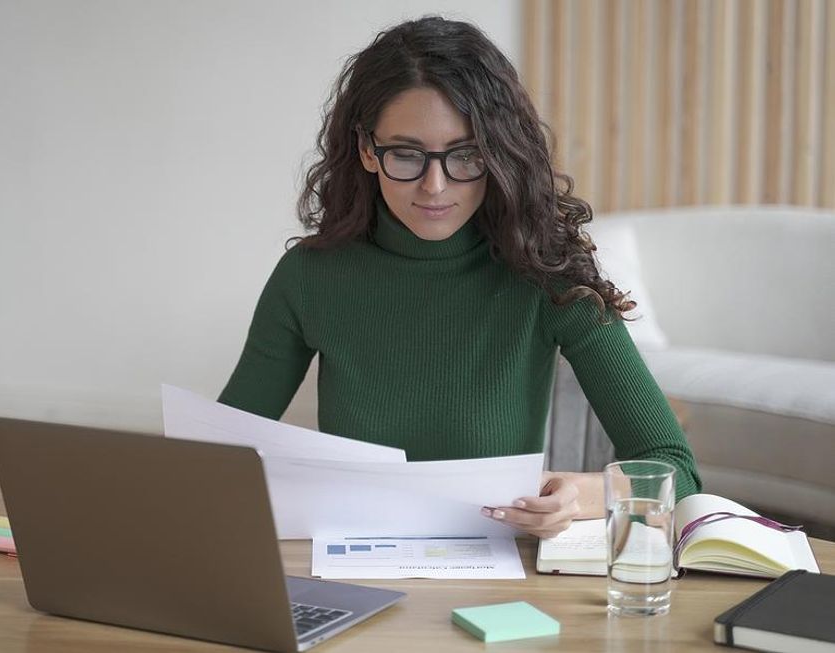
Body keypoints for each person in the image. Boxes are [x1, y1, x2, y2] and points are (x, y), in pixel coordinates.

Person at [219, 16, 700, 538]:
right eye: (406, 154)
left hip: (501, 575)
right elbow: (212, 459)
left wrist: (578, 496)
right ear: (366, 150)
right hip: (355, 566)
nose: (434, 185)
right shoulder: (309, 278)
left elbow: (677, 469)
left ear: (495, 153)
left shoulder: (548, 273)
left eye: (465, 155)